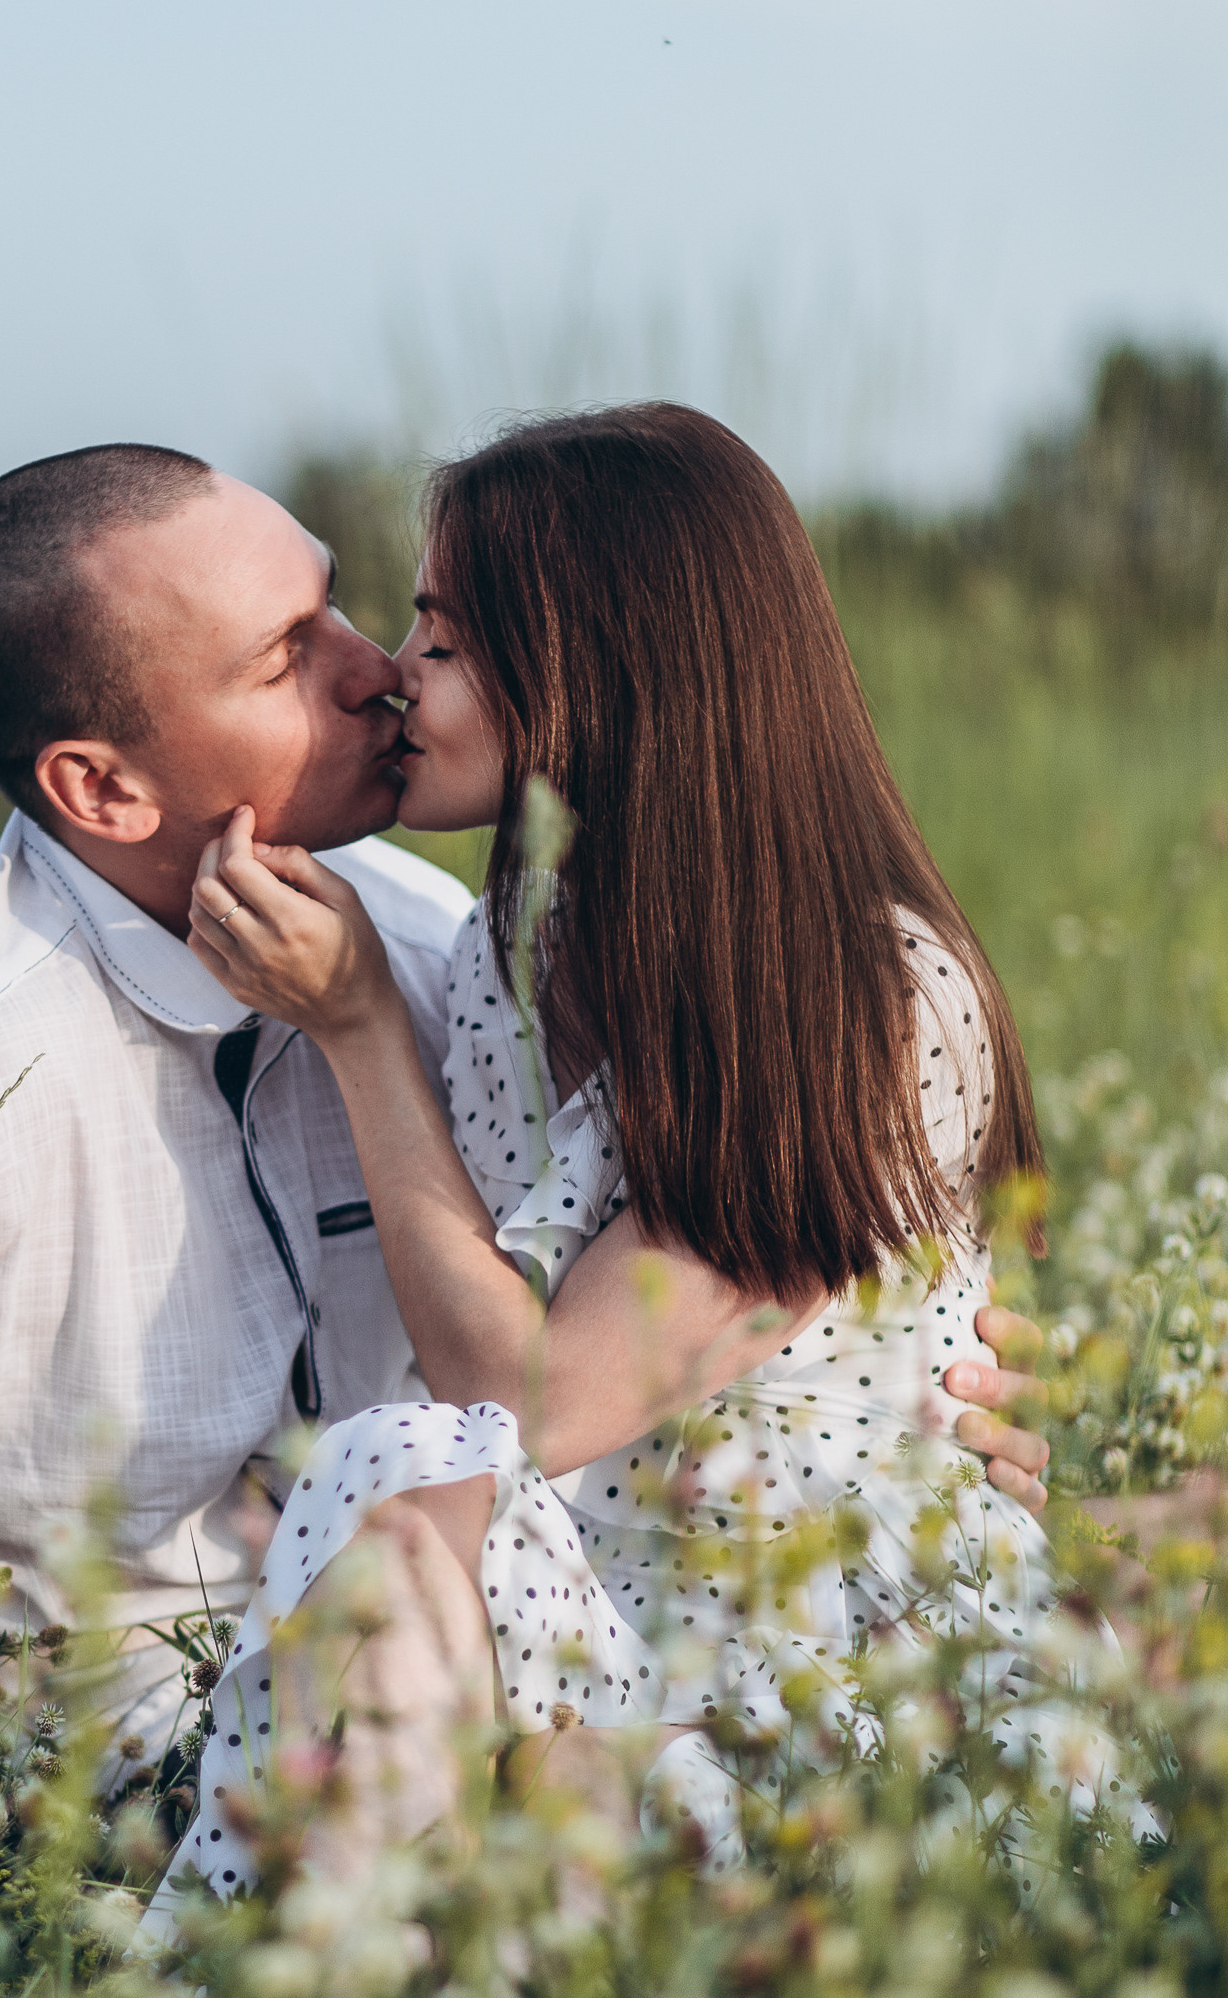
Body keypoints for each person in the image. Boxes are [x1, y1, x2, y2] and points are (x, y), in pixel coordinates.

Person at [0, 438, 1050, 1863]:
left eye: (355, 606)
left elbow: (708, 1282)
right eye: (287, 656)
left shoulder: (425, 946)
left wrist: (893, 1398)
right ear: (103, 789)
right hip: (115, 1800)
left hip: (482, 1678)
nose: (373, 671)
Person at [151, 405, 1074, 1914]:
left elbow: (534, 1400)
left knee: (414, 1523)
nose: (391, 674)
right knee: (394, 1549)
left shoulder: (867, 998)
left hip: (824, 1656)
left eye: (439, 639)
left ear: (587, 670)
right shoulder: (513, 954)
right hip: (597, 1606)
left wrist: (360, 1032)